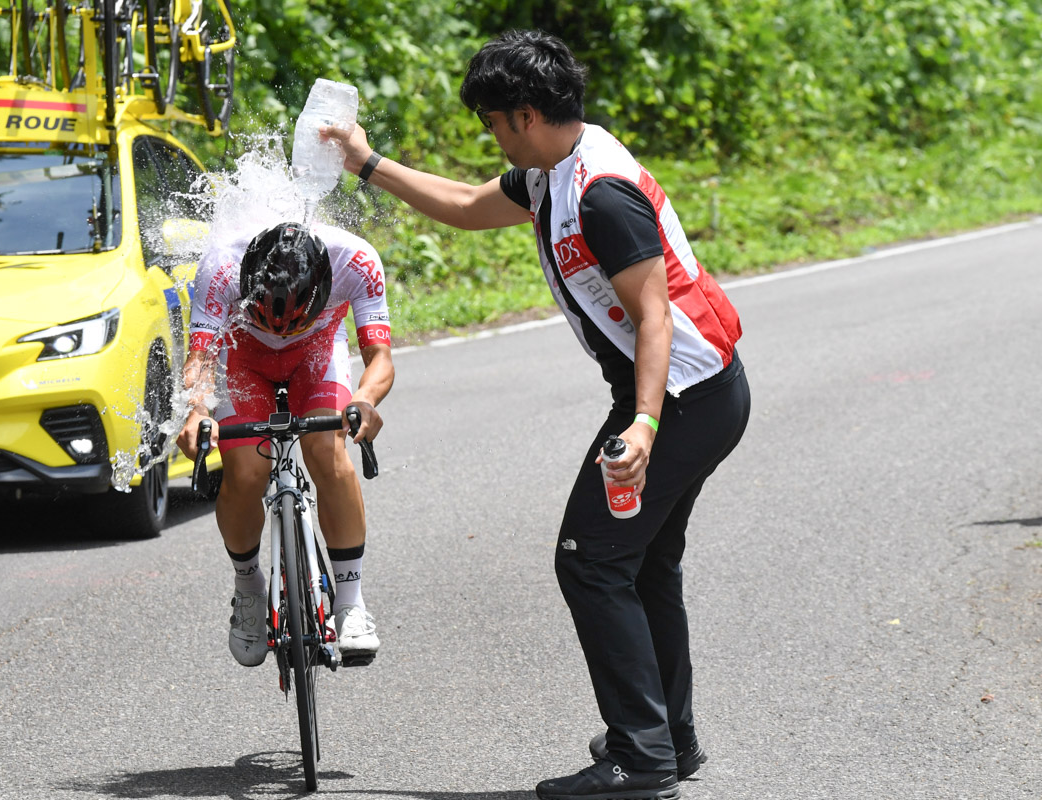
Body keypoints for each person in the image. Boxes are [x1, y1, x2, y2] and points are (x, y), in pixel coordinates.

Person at [324, 29, 750, 800]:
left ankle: (640, 757)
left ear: (523, 114)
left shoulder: (599, 192)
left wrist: (644, 427)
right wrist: (365, 162)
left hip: (684, 396)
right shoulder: (551, 172)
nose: (490, 136)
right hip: (690, 391)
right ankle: (667, 738)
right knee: (642, 561)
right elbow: (461, 205)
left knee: (589, 558)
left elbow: (653, 316)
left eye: (491, 121)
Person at [176, 221, 394, 668]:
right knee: (246, 470)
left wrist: (365, 401)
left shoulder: (355, 260)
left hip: (317, 351)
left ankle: (350, 603)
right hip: (243, 356)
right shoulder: (220, 265)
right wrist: (197, 412)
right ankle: (249, 587)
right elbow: (200, 358)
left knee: (326, 449)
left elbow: (380, 359)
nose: (281, 330)